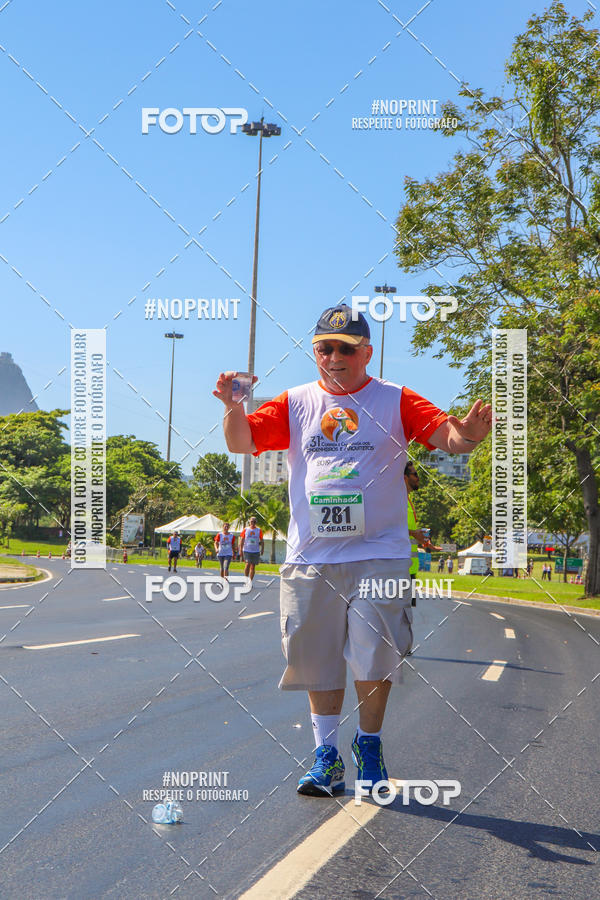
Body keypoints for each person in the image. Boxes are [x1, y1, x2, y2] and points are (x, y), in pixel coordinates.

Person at [214, 302, 492, 797]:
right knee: (316, 657)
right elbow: (241, 443)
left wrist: (468, 434)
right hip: (311, 557)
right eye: (325, 348)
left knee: (373, 653)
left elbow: (448, 437)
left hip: (379, 553)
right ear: (315, 351)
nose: (334, 356)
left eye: (346, 348)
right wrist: (234, 407)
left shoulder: (395, 400)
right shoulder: (295, 401)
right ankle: (326, 757)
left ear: (366, 352)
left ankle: (369, 744)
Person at [404, 461, 443, 608]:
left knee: (406, 620)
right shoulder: (396, 500)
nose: (418, 477)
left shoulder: (408, 500)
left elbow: (406, 531)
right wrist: (414, 533)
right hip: (399, 568)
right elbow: (387, 527)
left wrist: (423, 540)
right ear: (404, 478)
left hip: (410, 569)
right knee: (399, 620)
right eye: (415, 474)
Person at [240, 516, 264, 584]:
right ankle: (246, 579)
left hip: (255, 550)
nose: (253, 523)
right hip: (247, 550)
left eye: (254, 522)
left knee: (253, 566)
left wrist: (262, 549)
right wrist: (240, 550)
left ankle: (250, 581)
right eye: (251, 521)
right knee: (247, 564)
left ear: (256, 522)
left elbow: (262, 540)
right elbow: (242, 540)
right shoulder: (246, 529)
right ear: (249, 522)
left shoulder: (259, 530)